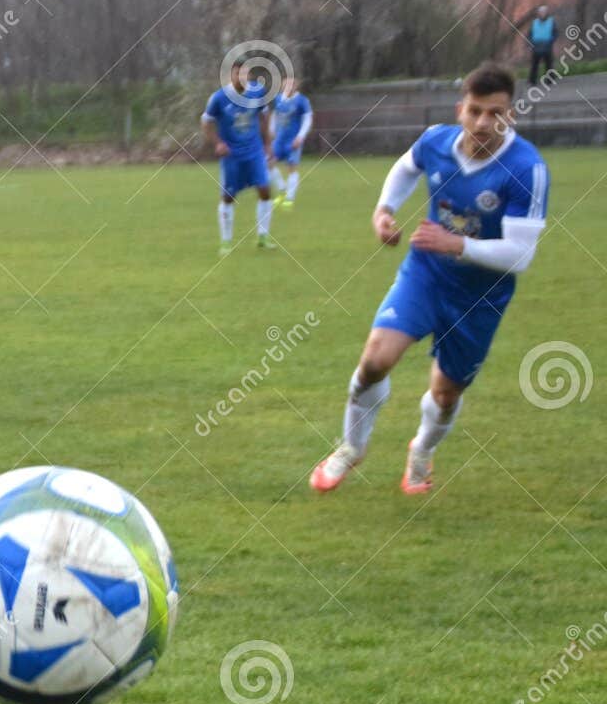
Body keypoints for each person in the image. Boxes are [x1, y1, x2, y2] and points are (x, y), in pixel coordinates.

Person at [310, 64, 547, 496]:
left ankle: (420, 451)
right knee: (374, 361)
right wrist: (384, 211)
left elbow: (521, 255)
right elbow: (405, 168)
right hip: (426, 274)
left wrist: (458, 245)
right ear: (460, 109)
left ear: (510, 115)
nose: (482, 123)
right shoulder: (436, 141)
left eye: (495, 113)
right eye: (475, 111)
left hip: (481, 296)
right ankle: (351, 446)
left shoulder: (526, 168)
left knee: (445, 394)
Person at [203, 60, 275, 255]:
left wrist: (268, 144)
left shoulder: (257, 92)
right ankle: (226, 242)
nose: (241, 77)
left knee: (265, 190)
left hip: (254, 152)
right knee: (228, 197)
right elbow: (206, 122)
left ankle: (263, 237)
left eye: (245, 74)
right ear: (230, 75)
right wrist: (218, 143)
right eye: (237, 74)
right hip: (232, 156)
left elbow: (264, 116)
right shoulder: (219, 98)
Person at [268, 76, 313, 208]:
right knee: (268, 163)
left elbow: (307, 119)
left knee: (291, 168)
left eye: (292, 84)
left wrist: (300, 137)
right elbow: (274, 115)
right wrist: (271, 130)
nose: (289, 86)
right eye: (286, 84)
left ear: (296, 86)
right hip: (279, 139)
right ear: (282, 86)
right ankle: (282, 189)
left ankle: (289, 198)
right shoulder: (278, 100)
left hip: (293, 140)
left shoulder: (302, 101)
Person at [528, 5, 557, 85]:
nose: (542, 13)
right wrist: (531, 42)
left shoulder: (551, 21)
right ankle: (532, 81)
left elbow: (555, 33)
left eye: (544, 12)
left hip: (547, 45)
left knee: (549, 64)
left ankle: (550, 80)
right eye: (541, 12)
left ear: (547, 13)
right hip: (536, 46)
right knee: (534, 65)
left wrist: (551, 41)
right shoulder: (534, 22)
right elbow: (530, 33)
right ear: (538, 13)